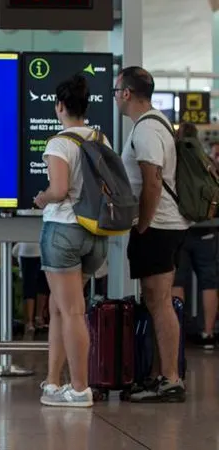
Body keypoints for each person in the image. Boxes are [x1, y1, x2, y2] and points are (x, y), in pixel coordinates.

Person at [34, 74, 110, 408]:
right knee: (60, 306)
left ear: (60, 106)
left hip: (63, 231)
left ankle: (79, 389)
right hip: (94, 234)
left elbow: (60, 190)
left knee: (72, 310)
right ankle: (53, 381)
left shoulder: (59, 143)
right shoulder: (99, 138)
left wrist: (42, 197)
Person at [116, 66, 189, 403]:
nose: (116, 97)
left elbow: (153, 182)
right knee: (156, 301)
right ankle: (161, 375)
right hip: (163, 226)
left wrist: (142, 226)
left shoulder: (145, 130)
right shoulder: (156, 123)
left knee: (159, 303)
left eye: (117, 91)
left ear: (127, 93)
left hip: (157, 226)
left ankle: (171, 379)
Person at [171, 123, 218, 349]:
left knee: (177, 280)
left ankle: (177, 334)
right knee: (209, 281)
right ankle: (208, 334)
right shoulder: (205, 160)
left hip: (180, 227)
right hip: (206, 228)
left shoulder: (175, 158)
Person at [12, 242, 49, 333]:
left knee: (29, 286)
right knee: (43, 285)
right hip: (45, 249)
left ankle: (29, 322)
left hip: (27, 250)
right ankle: (39, 318)